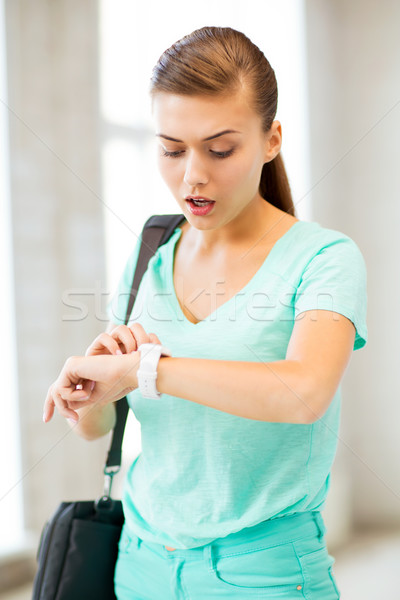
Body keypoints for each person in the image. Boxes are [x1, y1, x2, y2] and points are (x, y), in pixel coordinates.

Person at [43, 26, 367, 599]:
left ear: (271, 140)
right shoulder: (150, 253)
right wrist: (88, 398)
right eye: (171, 149)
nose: (192, 174)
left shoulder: (323, 258)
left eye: (220, 149)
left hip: (264, 573)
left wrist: (147, 370)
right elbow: (102, 427)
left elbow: (304, 392)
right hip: (139, 564)